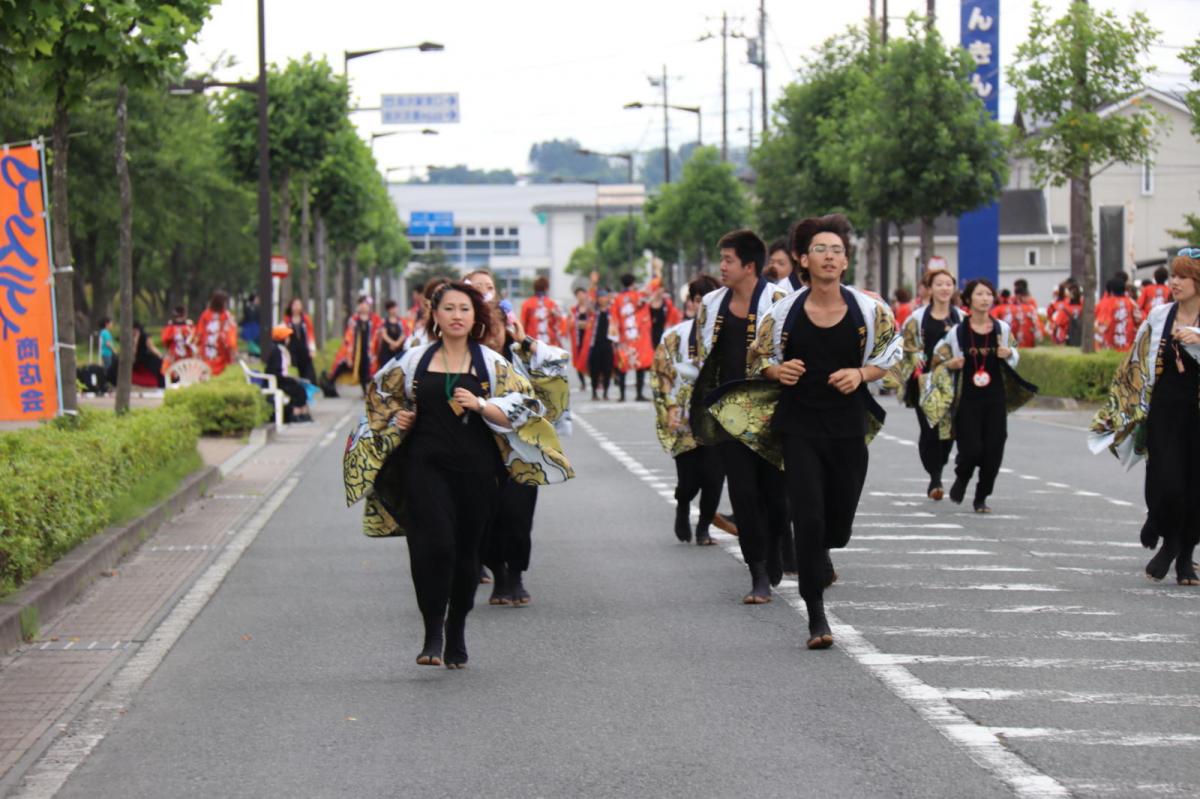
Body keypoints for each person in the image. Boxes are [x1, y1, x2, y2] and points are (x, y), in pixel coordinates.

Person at [342, 281, 573, 668]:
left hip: (477, 473)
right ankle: (432, 631)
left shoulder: (492, 363)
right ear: (435, 314)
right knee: (432, 547)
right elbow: (379, 399)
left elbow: (527, 409)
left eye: (464, 309)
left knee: (466, 555)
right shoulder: (412, 361)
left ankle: (457, 628)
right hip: (424, 468)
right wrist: (398, 419)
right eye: (448, 308)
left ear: (475, 317)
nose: (456, 316)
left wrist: (483, 405)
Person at [735, 214, 902, 650]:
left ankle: (825, 552)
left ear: (846, 262)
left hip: (848, 429)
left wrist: (862, 373)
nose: (830, 257)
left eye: (837, 251)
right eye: (821, 250)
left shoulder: (869, 309)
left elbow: (893, 353)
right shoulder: (783, 311)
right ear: (803, 260)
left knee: (837, 526)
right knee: (807, 519)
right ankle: (816, 617)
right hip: (799, 427)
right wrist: (777, 369)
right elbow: (757, 358)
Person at [1090, 248, 1200, 585]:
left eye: (1183, 276)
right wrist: (1122, 411)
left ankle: (1182, 557)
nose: (1175, 282)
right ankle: (1168, 538)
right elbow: (1135, 363)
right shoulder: (1158, 315)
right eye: (1174, 276)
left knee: (1195, 488)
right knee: (1167, 483)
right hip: (1163, 411)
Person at [691, 229, 789, 604]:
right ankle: (758, 572)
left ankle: (777, 545)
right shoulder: (713, 303)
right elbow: (703, 351)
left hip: (772, 409)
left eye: (729, 260)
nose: (722, 267)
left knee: (777, 498)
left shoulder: (781, 299)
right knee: (744, 494)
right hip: (730, 411)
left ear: (750, 266)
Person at [467, 268, 573, 607]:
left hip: (521, 450)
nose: (493, 334)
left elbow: (558, 368)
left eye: (498, 327)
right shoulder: (463, 356)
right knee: (485, 514)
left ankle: (516, 574)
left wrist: (523, 340)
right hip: (478, 450)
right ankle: (498, 574)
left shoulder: (522, 355)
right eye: (487, 328)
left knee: (518, 514)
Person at [921, 278, 1038, 514]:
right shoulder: (957, 332)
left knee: (994, 449)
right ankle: (962, 476)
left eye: (988, 294)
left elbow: (1015, 356)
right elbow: (936, 358)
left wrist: (1009, 353)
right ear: (968, 300)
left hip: (995, 399)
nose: (985, 299)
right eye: (979, 294)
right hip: (967, 400)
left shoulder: (1001, 329)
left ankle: (982, 496)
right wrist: (950, 363)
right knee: (971, 450)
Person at [652, 273, 727, 546]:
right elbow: (662, 374)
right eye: (698, 300)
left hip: (719, 417)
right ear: (691, 303)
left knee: (714, 477)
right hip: (684, 418)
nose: (702, 307)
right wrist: (669, 407)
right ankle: (682, 504)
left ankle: (704, 528)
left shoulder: (728, 333)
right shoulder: (674, 336)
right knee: (689, 480)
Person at [885, 268, 963, 500]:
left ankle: (939, 467)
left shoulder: (961, 317)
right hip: (925, 382)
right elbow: (904, 347)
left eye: (948, 284)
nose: (944, 288)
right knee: (929, 431)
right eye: (939, 284)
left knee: (948, 433)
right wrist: (914, 364)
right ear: (929, 289)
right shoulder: (917, 319)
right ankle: (935, 478)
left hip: (953, 382)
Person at [330, 297, 382, 394]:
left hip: (368, 349)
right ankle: (331, 382)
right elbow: (348, 335)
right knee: (343, 365)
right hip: (354, 349)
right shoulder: (354, 319)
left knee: (366, 369)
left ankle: (366, 390)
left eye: (365, 304)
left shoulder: (375, 319)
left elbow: (378, 333)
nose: (363, 306)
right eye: (361, 304)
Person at [613, 273, 653, 402]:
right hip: (637, 336)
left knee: (623, 365)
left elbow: (614, 318)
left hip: (624, 336)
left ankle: (622, 395)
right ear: (632, 283)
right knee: (639, 365)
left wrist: (616, 337)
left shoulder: (617, 299)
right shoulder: (637, 295)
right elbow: (647, 299)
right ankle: (639, 394)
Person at [264, 324, 312, 422]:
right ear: (283, 339)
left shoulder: (279, 350)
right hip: (277, 381)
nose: (289, 339)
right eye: (287, 337)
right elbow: (276, 371)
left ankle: (301, 412)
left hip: (280, 380)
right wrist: (289, 379)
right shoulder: (277, 351)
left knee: (300, 387)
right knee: (299, 390)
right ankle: (295, 414)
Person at [583, 286, 617, 400]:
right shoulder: (594, 312)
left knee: (607, 369)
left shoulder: (612, 312)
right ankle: (594, 392)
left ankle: (606, 392)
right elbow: (588, 304)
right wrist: (592, 284)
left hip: (608, 344)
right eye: (600, 297)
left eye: (604, 297)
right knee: (594, 370)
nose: (602, 299)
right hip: (595, 344)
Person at [193, 290, 238, 376]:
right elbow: (230, 336)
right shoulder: (226, 316)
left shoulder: (205, 315)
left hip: (207, 352)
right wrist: (233, 350)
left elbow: (199, 333)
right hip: (220, 352)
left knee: (206, 374)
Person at [1096, 276, 1143, 351]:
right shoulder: (1131, 302)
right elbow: (1139, 320)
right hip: (1128, 344)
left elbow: (1101, 325)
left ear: (1111, 290)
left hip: (1111, 346)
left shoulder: (1106, 303)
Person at [520, 275, 565, 349]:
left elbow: (523, 324)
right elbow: (559, 323)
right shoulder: (552, 304)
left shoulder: (527, 304)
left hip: (532, 343)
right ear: (546, 288)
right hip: (549, 343)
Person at [283, 298, 318, 383]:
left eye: (299, 305)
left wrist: (312, 349)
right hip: (292, 349)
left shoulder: (306, 320)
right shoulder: (287, 320)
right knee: (293, 369)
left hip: (304, 349)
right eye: (295, 305)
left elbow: (310, 335)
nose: (297, 307)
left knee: (308, 371)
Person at [160, 306, 197, 380]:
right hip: (188, 360)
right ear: (185, 315)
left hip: (174, 360)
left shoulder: (170, 327)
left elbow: (165, 343)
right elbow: (195, 341)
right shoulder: (190, 327)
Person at [569, 287, 591, 391]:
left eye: (582, 294)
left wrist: (586, 324)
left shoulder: (590, 309)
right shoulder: (573, 310)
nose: (581, 297)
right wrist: (577, 324)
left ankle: (595, 380)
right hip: (577, 338)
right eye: (578, 295)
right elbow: (569, 323)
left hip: (589, 338)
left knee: (589, 359)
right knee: (578, 361)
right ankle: (582, 382)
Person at [376, 300, 407, 369]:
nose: (394, 310)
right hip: (387, 350)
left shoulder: (401, 321)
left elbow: (404, 333)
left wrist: (397, 343)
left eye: (395, 307)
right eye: (391, 308)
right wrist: (393, 343)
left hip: (399, 350)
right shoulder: (384, 321)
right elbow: (384, 334)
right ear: (388, 310)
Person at [240, 293, 261, 357]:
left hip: (249, 326)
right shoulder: (257, 307)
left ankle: (253, 351)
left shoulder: (247, 307)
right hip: (254, 325)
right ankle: (256, 351)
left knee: (251, 340)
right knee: (253, 339)